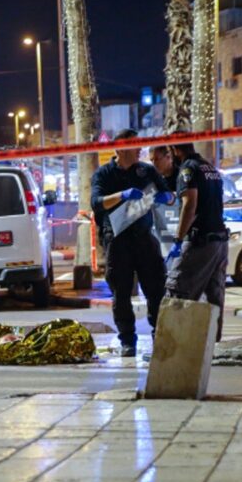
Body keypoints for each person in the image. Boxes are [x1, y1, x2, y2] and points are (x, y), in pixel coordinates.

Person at [91, 128, 175, 357]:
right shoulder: (104, 174)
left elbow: (169, 194)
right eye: (135, 145)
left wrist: (166, 197)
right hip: (118, 240)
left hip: (144, 238)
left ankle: (160, 335)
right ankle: (128, 341)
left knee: (156, 289)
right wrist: (122, 195)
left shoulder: (146, 171)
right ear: (120, 148)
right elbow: (96, 203)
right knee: (122, 292)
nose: (140, 149)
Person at [165, 143, 229, 340]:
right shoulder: (210, 168)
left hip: (200, 241)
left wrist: (178, 239)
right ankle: (211, 347)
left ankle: (172, 347)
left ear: (176, 150)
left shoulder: (188, 168)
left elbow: (190, 204)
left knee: (177, 292)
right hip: (219, 241)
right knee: (213, 297)